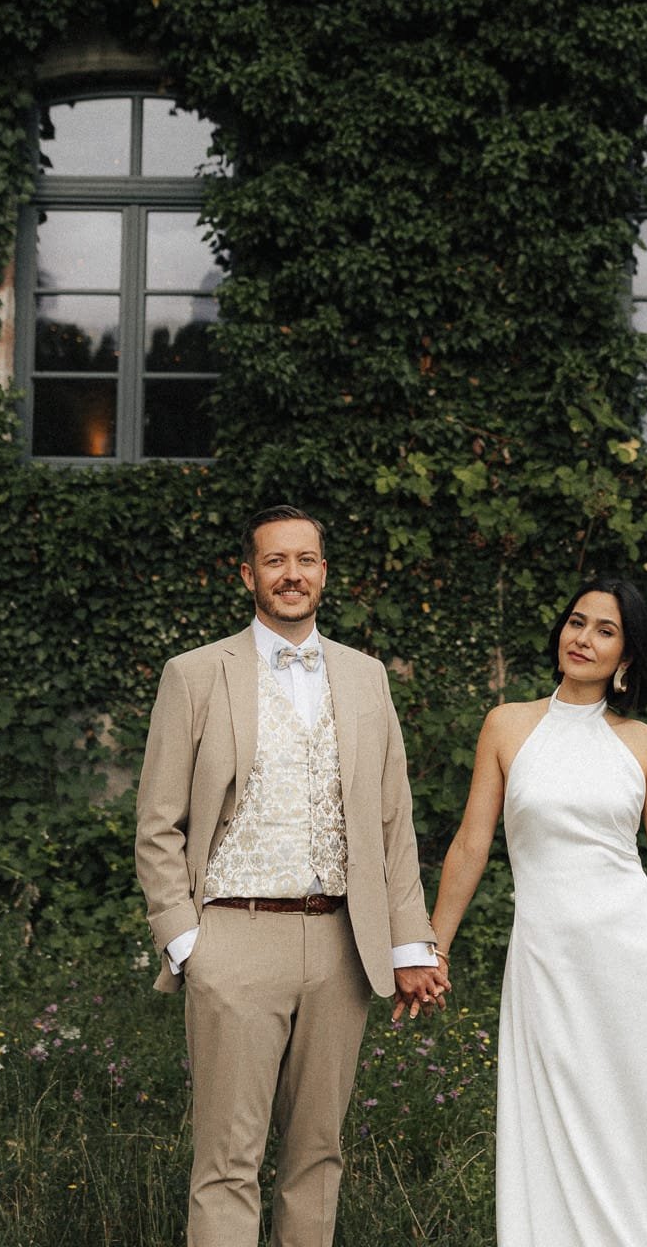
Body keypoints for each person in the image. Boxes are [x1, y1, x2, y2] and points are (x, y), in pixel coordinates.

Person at [135, 504, 449, 1247]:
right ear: (249, 575)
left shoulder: (366, 678)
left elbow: (392, 824)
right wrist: (187, 942)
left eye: (305, 560)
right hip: (234, 939)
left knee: (318, 1156)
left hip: (343, 944)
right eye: (275, 561)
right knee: (227, 1161)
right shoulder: (195, 674)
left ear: (324, 573)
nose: (292, 575)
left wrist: (410, 944)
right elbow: (157, 824)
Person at [427, 576, 647, 1246]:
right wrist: (433, 947)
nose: (584, 638)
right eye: (577, 621)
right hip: (547, 964)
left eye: (605, 630)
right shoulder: (507, 725)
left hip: (638, 968)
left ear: (628, 658)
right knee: (552, 1130)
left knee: (644, 1130)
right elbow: (472, 844)